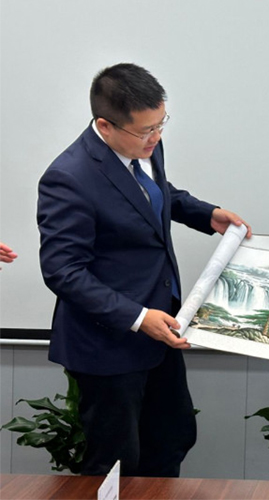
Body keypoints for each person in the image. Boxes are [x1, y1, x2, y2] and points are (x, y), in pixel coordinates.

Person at [37, 63, 251, 477]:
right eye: (145, 131)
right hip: (109, 342)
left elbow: (150, 193)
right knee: (117, 462)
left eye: (161, 124)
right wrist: (137, 318)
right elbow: (63, 271)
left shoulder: (145, 147)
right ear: (105, 125)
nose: (156, 137)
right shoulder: (69, 178)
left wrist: (205, 214)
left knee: (172, 438)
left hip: (160, 326)